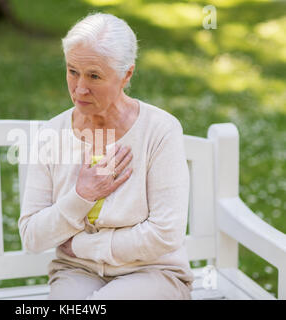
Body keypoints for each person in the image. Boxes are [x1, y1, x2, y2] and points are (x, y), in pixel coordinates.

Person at [18, 12, 194, 300]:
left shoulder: (160, 131)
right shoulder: (51, 134)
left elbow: (165, 234)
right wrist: (82, 195)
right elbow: (32, 236)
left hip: (153, 273)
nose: (79, 88)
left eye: (94, 75)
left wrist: (82, 246)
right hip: (77, 271)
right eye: (72, 71)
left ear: (127, 74)